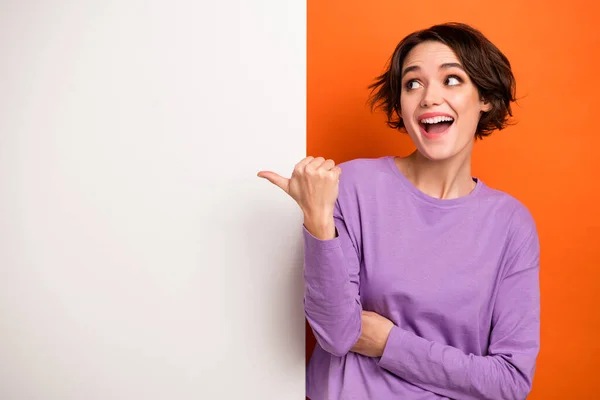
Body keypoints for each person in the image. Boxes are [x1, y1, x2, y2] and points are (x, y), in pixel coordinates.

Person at [257, 22, 540, 400]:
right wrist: (318, 219)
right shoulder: (352, 186)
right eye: (413, 83)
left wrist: (388, 342)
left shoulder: (510, 225)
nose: (428, 98)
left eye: (452, 80)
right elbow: (337, 334)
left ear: (485, 97)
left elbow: (509, 382)